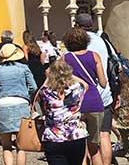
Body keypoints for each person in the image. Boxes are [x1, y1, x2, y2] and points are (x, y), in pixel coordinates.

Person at [75, 13, 119, 165]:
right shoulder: (102, 41)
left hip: (81, 98)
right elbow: (115, 65)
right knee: (104, 134)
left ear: (76, 25)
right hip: (104, 96)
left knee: (85, 137)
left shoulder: (74, 45)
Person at [62, 27, 108, 165]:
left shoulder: (65, 58)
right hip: (95, 102)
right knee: (94, 149)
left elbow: (51, 74)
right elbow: (103, 83)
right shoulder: (94, 56)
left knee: (79, 149)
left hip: (75, 105)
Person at [0, 43, 37, 165]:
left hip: (3, 105)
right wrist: (27, 96)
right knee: (21, 146)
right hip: (21, 103)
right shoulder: (24, 68)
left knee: (6, 146)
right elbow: (33, 87)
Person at [37, 59, 89, 165]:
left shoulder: (46, 93)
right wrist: (68, 75)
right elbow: (85, 84)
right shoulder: (77, 90)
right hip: (76, 136)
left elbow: (40, 91)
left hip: (53, 138)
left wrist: (49, 76)